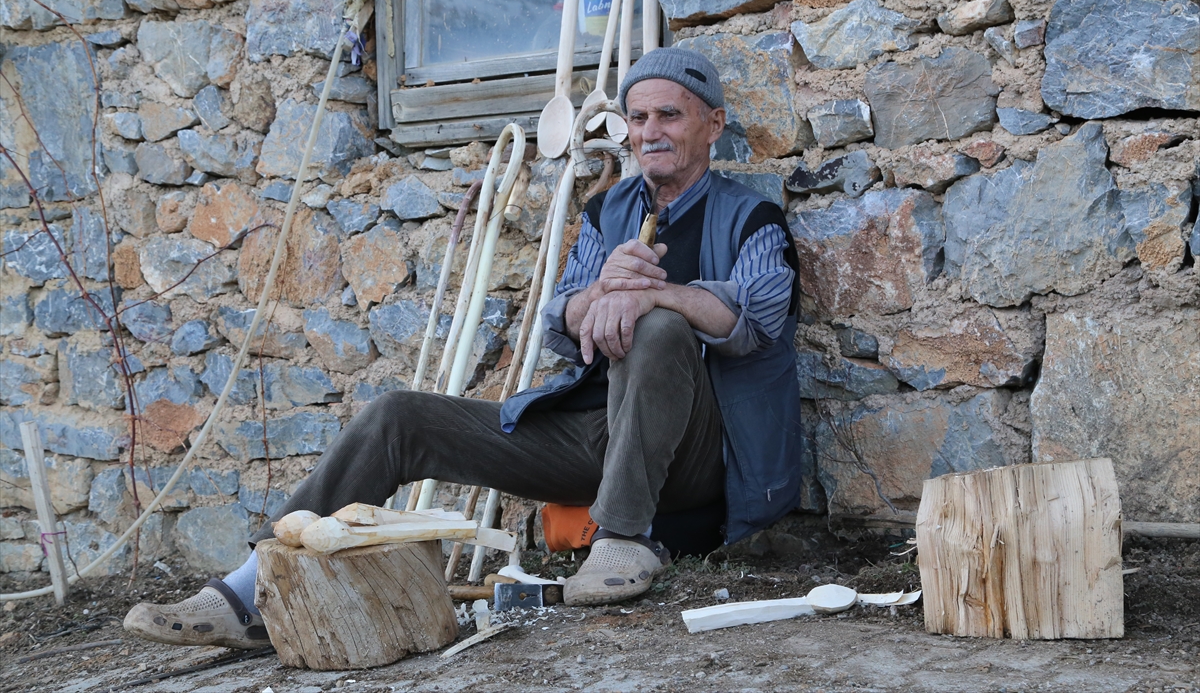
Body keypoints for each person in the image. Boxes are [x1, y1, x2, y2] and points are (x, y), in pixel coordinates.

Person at [124, 47, 806, 650]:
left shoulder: (752, 217)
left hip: (695, 450)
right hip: (598, 433)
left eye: (670, 116)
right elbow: (560, 320)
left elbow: (755, 320)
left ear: (712, 124)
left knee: (658, 327)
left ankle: (623, 538)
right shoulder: (609, 210)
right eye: (640, 117)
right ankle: (247, 595)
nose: (651, 131)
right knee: (398, 417)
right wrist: (600, 293)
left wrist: (660, 296)